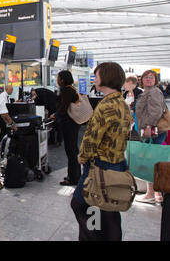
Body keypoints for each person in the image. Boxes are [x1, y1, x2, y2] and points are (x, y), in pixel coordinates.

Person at [71, 62, 131, 241]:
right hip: (118, 163)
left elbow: (91, 139)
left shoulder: (105, 107)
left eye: (96, 76)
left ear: (105, 78)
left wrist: (82, 157)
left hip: (100, 165)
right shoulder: (122, 103)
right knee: (109, 211)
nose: (94, 79)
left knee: (79, 204)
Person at [134, 70, 167, 204]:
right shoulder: (147, 93)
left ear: (155, 80)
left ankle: (151, 194)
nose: (148, 79)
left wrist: (148, 126)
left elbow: (156, 111)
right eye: (145, 77)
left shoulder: (153, 92)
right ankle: (155, 193)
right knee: (152, 161)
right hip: (153, 132)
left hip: (152, 132)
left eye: (151, 77)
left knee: (150, 162)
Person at [50, 70, 81, 186]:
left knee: (71, 151)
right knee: (72, 150)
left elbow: (64, 107)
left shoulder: (67, 90)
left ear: (62, 79)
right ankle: (75, 175)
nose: (57, 80)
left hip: (69, 123)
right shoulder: (70, 89)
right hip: (72, 123)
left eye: (58, 78)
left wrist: (55, 115)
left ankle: (73, 178)